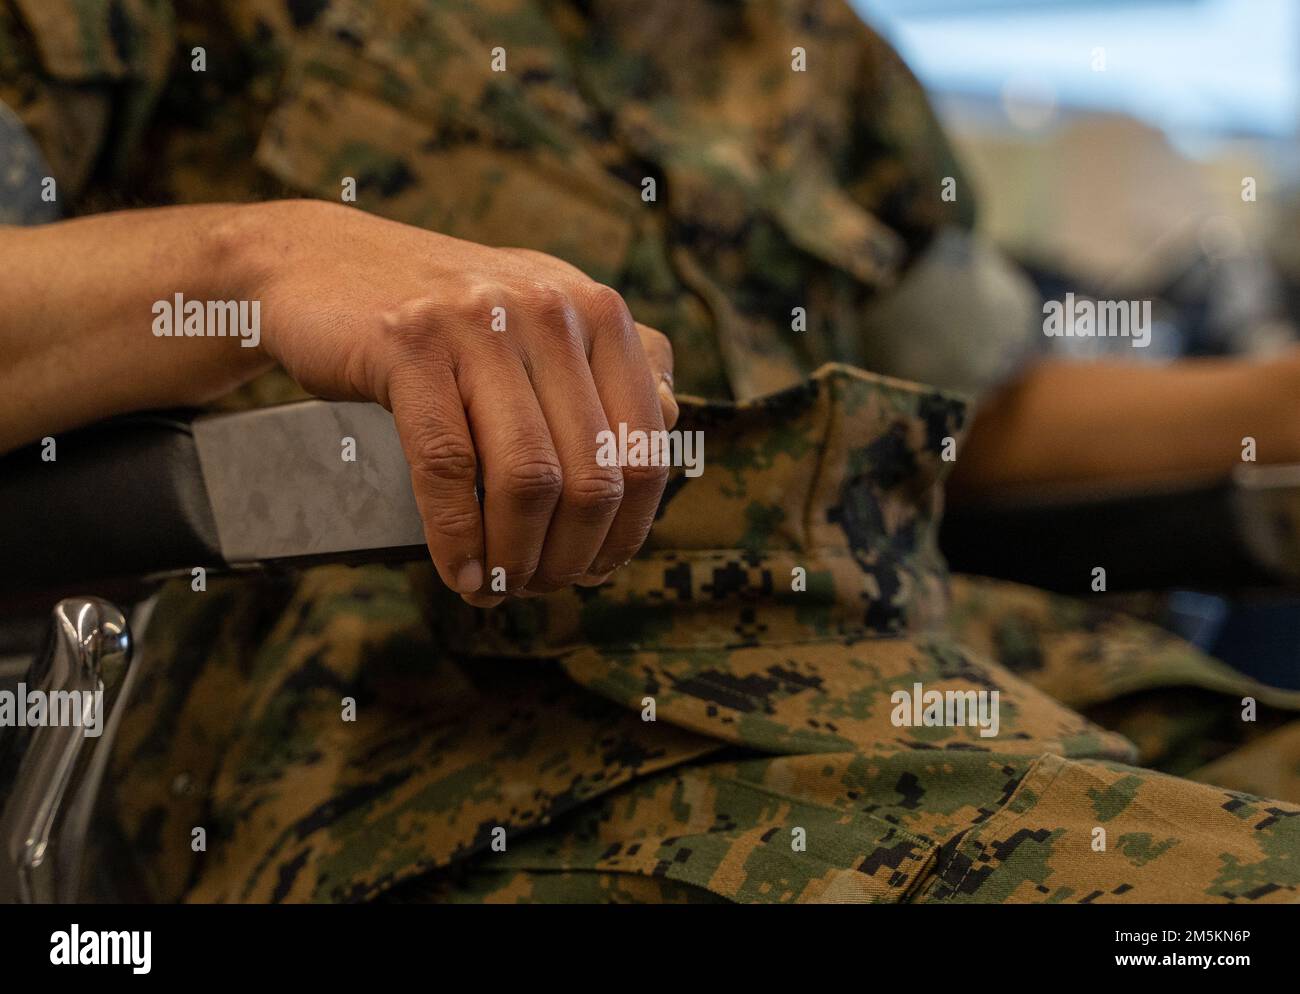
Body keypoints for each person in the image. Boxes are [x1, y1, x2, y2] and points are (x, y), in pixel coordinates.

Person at [2, 0, 1299, 903]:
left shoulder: (814, 46)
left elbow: (979, 416)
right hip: (449, 727)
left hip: (942, 656)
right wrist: (260, 262)